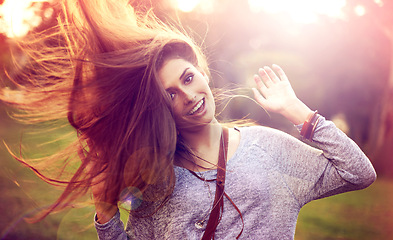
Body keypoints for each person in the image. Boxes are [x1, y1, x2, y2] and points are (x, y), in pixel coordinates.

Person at [1, 0, 376, 239]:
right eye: (170, 94)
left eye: (188, 78)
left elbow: (358, 173)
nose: (189, 96)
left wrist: (297, 111)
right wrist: (104, 215)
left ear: (202, 72)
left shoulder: (269, 147)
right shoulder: (155, 177)